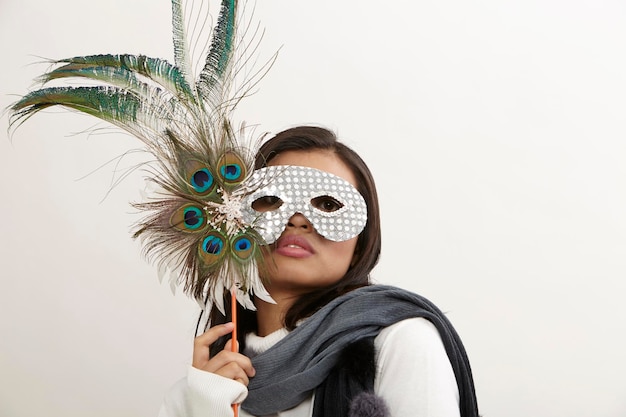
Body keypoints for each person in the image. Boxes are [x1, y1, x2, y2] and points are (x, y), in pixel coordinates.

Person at [158, 125, 479, 417]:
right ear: (232, 223)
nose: (298, 219)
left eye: (328, 205)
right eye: (270, 199)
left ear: (361, 244)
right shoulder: (191, 396)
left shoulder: (400, 344)